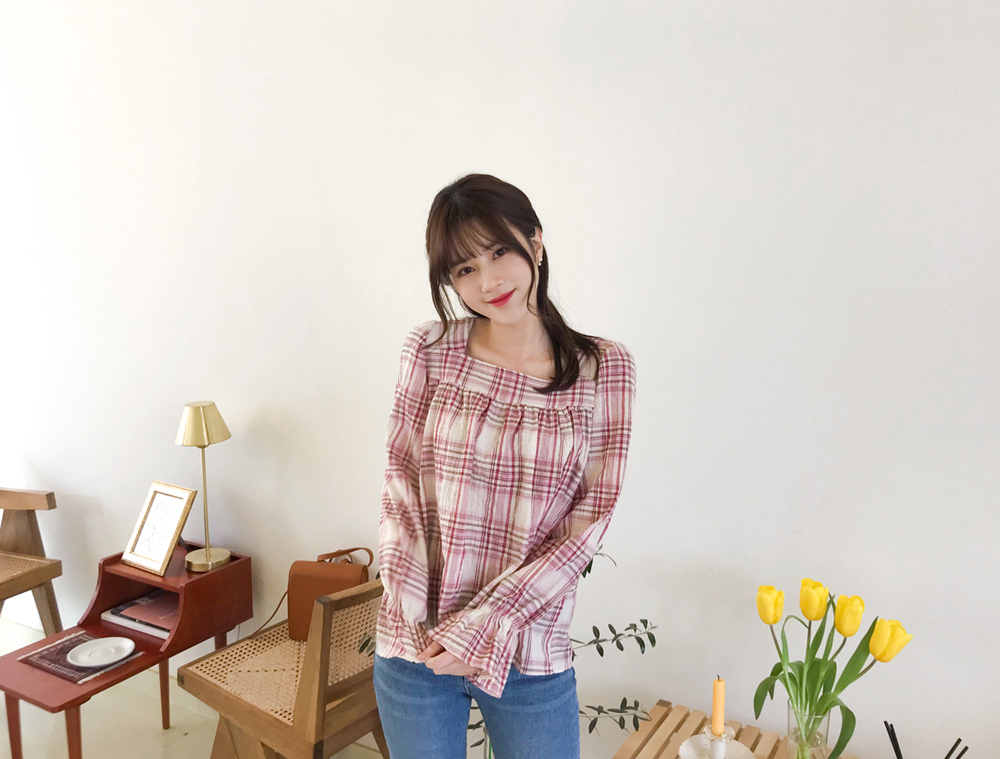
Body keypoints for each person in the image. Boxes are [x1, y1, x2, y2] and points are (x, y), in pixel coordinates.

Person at [373, 174, 636, 759]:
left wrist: (482, 627)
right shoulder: (430, 349)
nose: (488, 281)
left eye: (498, 252)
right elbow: (401, 483)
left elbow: (588, 520)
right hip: (417, 646)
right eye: (465, 268)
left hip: (527, 649)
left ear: (535, 242)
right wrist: (418, 615)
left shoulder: (604, 368)